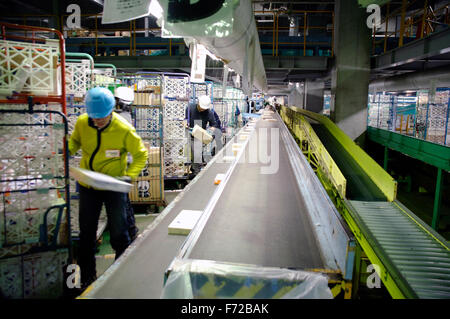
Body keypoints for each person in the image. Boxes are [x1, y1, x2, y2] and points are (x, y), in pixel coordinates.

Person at [69, 87, 148, 289]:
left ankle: (120, 275)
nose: (98, 122)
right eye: (94, 118)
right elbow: (75, 143)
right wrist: (65, 152)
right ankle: (88, 278)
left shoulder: (123, 129)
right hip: (89, 185)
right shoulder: (82, 123)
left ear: (111, 111)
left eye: (102, 118)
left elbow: (141, 155)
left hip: (114, 186)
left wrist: (129, 176)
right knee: (86, 234)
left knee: (119, 234)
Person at [114, 86, 140, 240]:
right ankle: (130, 229)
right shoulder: (126, 116)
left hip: (121, 164)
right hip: (125, 162)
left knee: (121, 199)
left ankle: (130, 230)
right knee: (122, 198)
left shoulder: (120, 118)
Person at [184, 95, 220, 177]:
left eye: (204, 108)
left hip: (199, 135)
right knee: (189, 154)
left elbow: (214, 124)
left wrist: (209, 132)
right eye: (201, 107)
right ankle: (192, 169)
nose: (202, 109)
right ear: (198, 103)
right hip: (189, 132)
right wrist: (185, 123)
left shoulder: (209, 112)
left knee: (197, 155)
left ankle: (197, 174)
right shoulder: (190, 107)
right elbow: (185, 119)